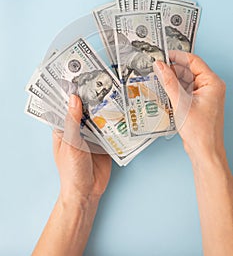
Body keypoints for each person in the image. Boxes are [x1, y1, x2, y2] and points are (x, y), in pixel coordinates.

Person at [32, 51, 233, 256]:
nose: (102, 93)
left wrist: (80, 196)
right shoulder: (64, 87)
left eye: (105, 89)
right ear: (86, 78)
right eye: (100, 85)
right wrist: (81, 194)